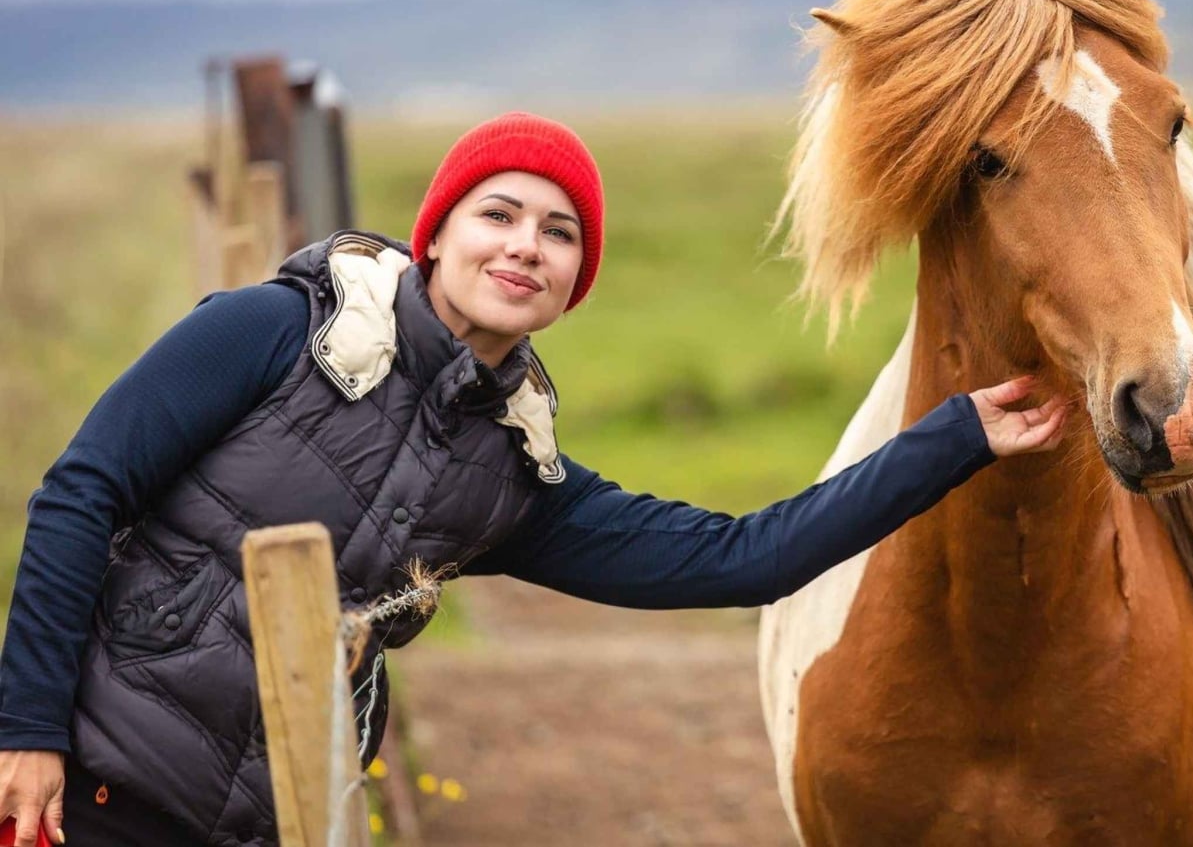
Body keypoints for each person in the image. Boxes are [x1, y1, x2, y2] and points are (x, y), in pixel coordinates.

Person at [0, 112, 1068, 846]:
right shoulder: (274, 331)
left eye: (560, 234)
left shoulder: (511, 478)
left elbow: (750, 556)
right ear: (440, 231)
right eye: (500, 214)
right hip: (93, 786)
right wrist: (29, 729)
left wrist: (955, 435)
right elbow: (80, 492)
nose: (526, 247)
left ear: (573, 284)